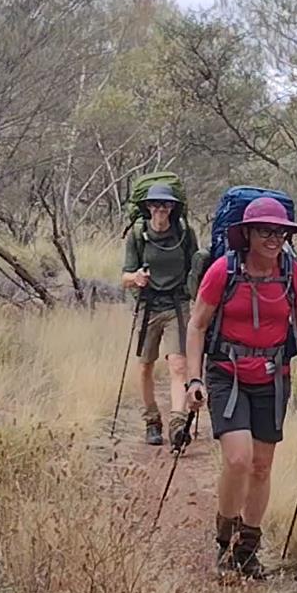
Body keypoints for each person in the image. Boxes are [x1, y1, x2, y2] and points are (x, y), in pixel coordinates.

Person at [184, 195, 297, 579]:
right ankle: (225, 538)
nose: (274, 239)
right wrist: (193, 379)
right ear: (249, 234)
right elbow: (197, 325)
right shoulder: (223, 270)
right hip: (227, 373)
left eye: (280, 232)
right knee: (237, 459)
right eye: (265, 231)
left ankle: (247, 551)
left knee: (261, 465)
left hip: (273, 377)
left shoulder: (293, 272)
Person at [121, 183, 201, 446]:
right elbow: (125, 277)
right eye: (155, 205)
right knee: (145, 366)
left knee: (178, 365)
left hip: (177, 305)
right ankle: (152, 420)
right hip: (148, 306)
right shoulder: (137, 235)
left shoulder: (185, 234)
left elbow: (196, 269)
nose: (160, 210)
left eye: (165, 205)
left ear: (172, 208)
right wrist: (137, 278)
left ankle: (178, 424)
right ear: (147, 207)